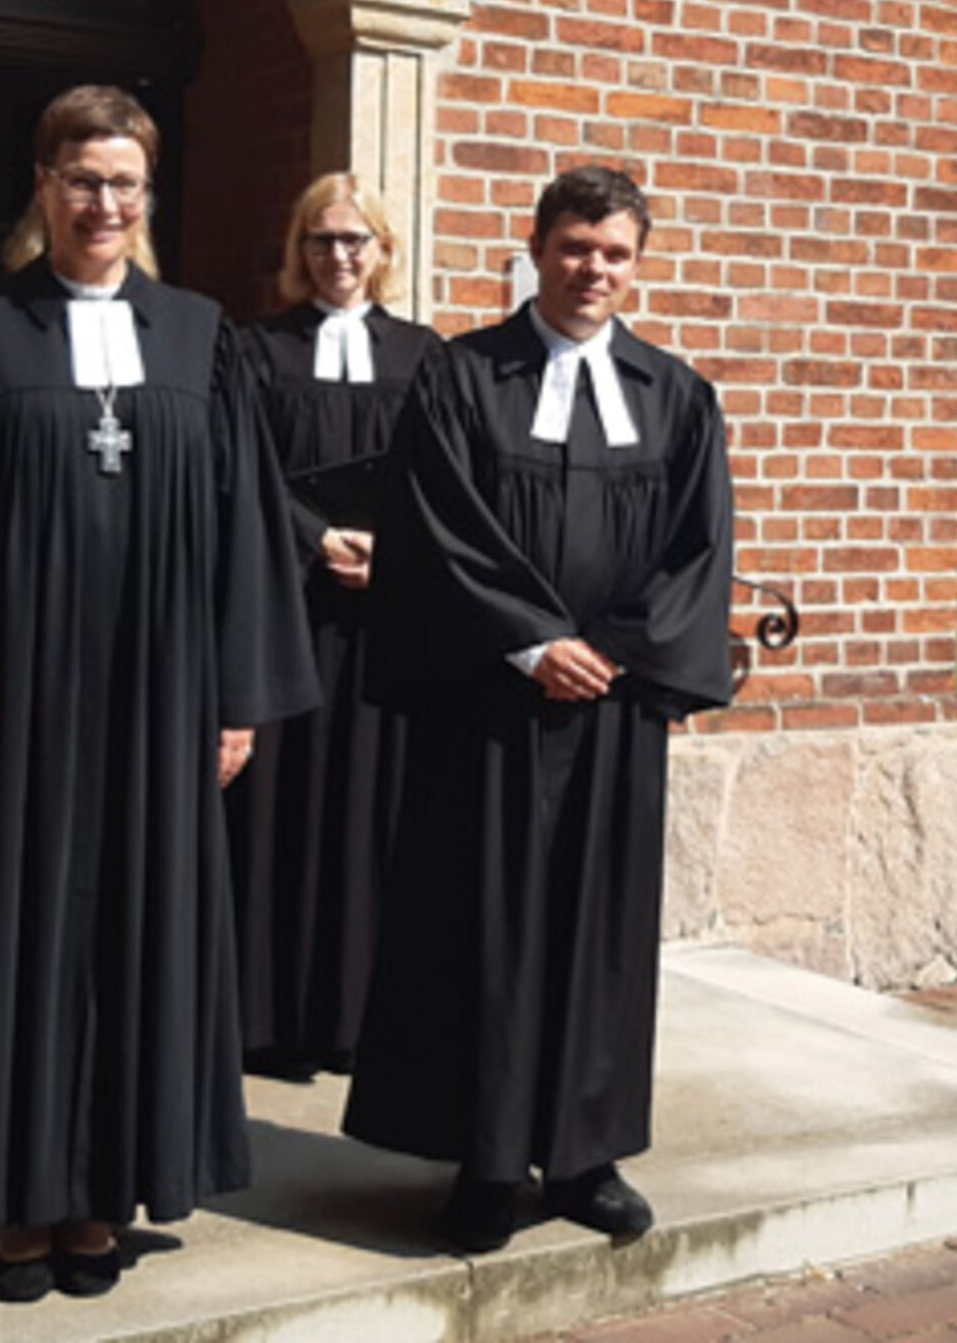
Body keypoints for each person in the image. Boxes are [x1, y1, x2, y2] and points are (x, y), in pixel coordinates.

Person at [0, 85, 318, 1303]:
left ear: (147, 198)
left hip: (160, 702)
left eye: (124, 183)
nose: (102, 203)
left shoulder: (200, 335)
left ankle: (104, 1192)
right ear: (42, 186)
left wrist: (237, 697)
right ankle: (15, 1196)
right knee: (16, 935)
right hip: (18, 702)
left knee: (133, 938)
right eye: (80, 179)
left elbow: (246, 529)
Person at [341, 165, 737, 1254]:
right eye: (573, 248)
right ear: (535, 249)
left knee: (597, 935)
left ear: (636, 263)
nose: (591, 270)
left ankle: (582, 1156)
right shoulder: (463, 377)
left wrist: (606, 652)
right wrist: (531, 641)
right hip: (490, 707)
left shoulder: (674, 395)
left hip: (609, 716)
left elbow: (699, 549)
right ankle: (480, 1160)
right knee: (484, 928)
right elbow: (438, 528)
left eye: (613, 253)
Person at [227, 174, 441, 1081]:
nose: (339, 256)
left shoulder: (425, 355)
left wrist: (392, 550)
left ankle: (360, 1018)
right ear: (298, 250)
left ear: (384, 251)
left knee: (371, 807)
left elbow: (446, 478)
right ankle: (268, 1017)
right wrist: (317, 539)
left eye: (356, 240)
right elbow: (237, 468)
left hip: (383, 617)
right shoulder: (254, 351)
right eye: (321, 240)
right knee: (282, 804)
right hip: (286, 605)